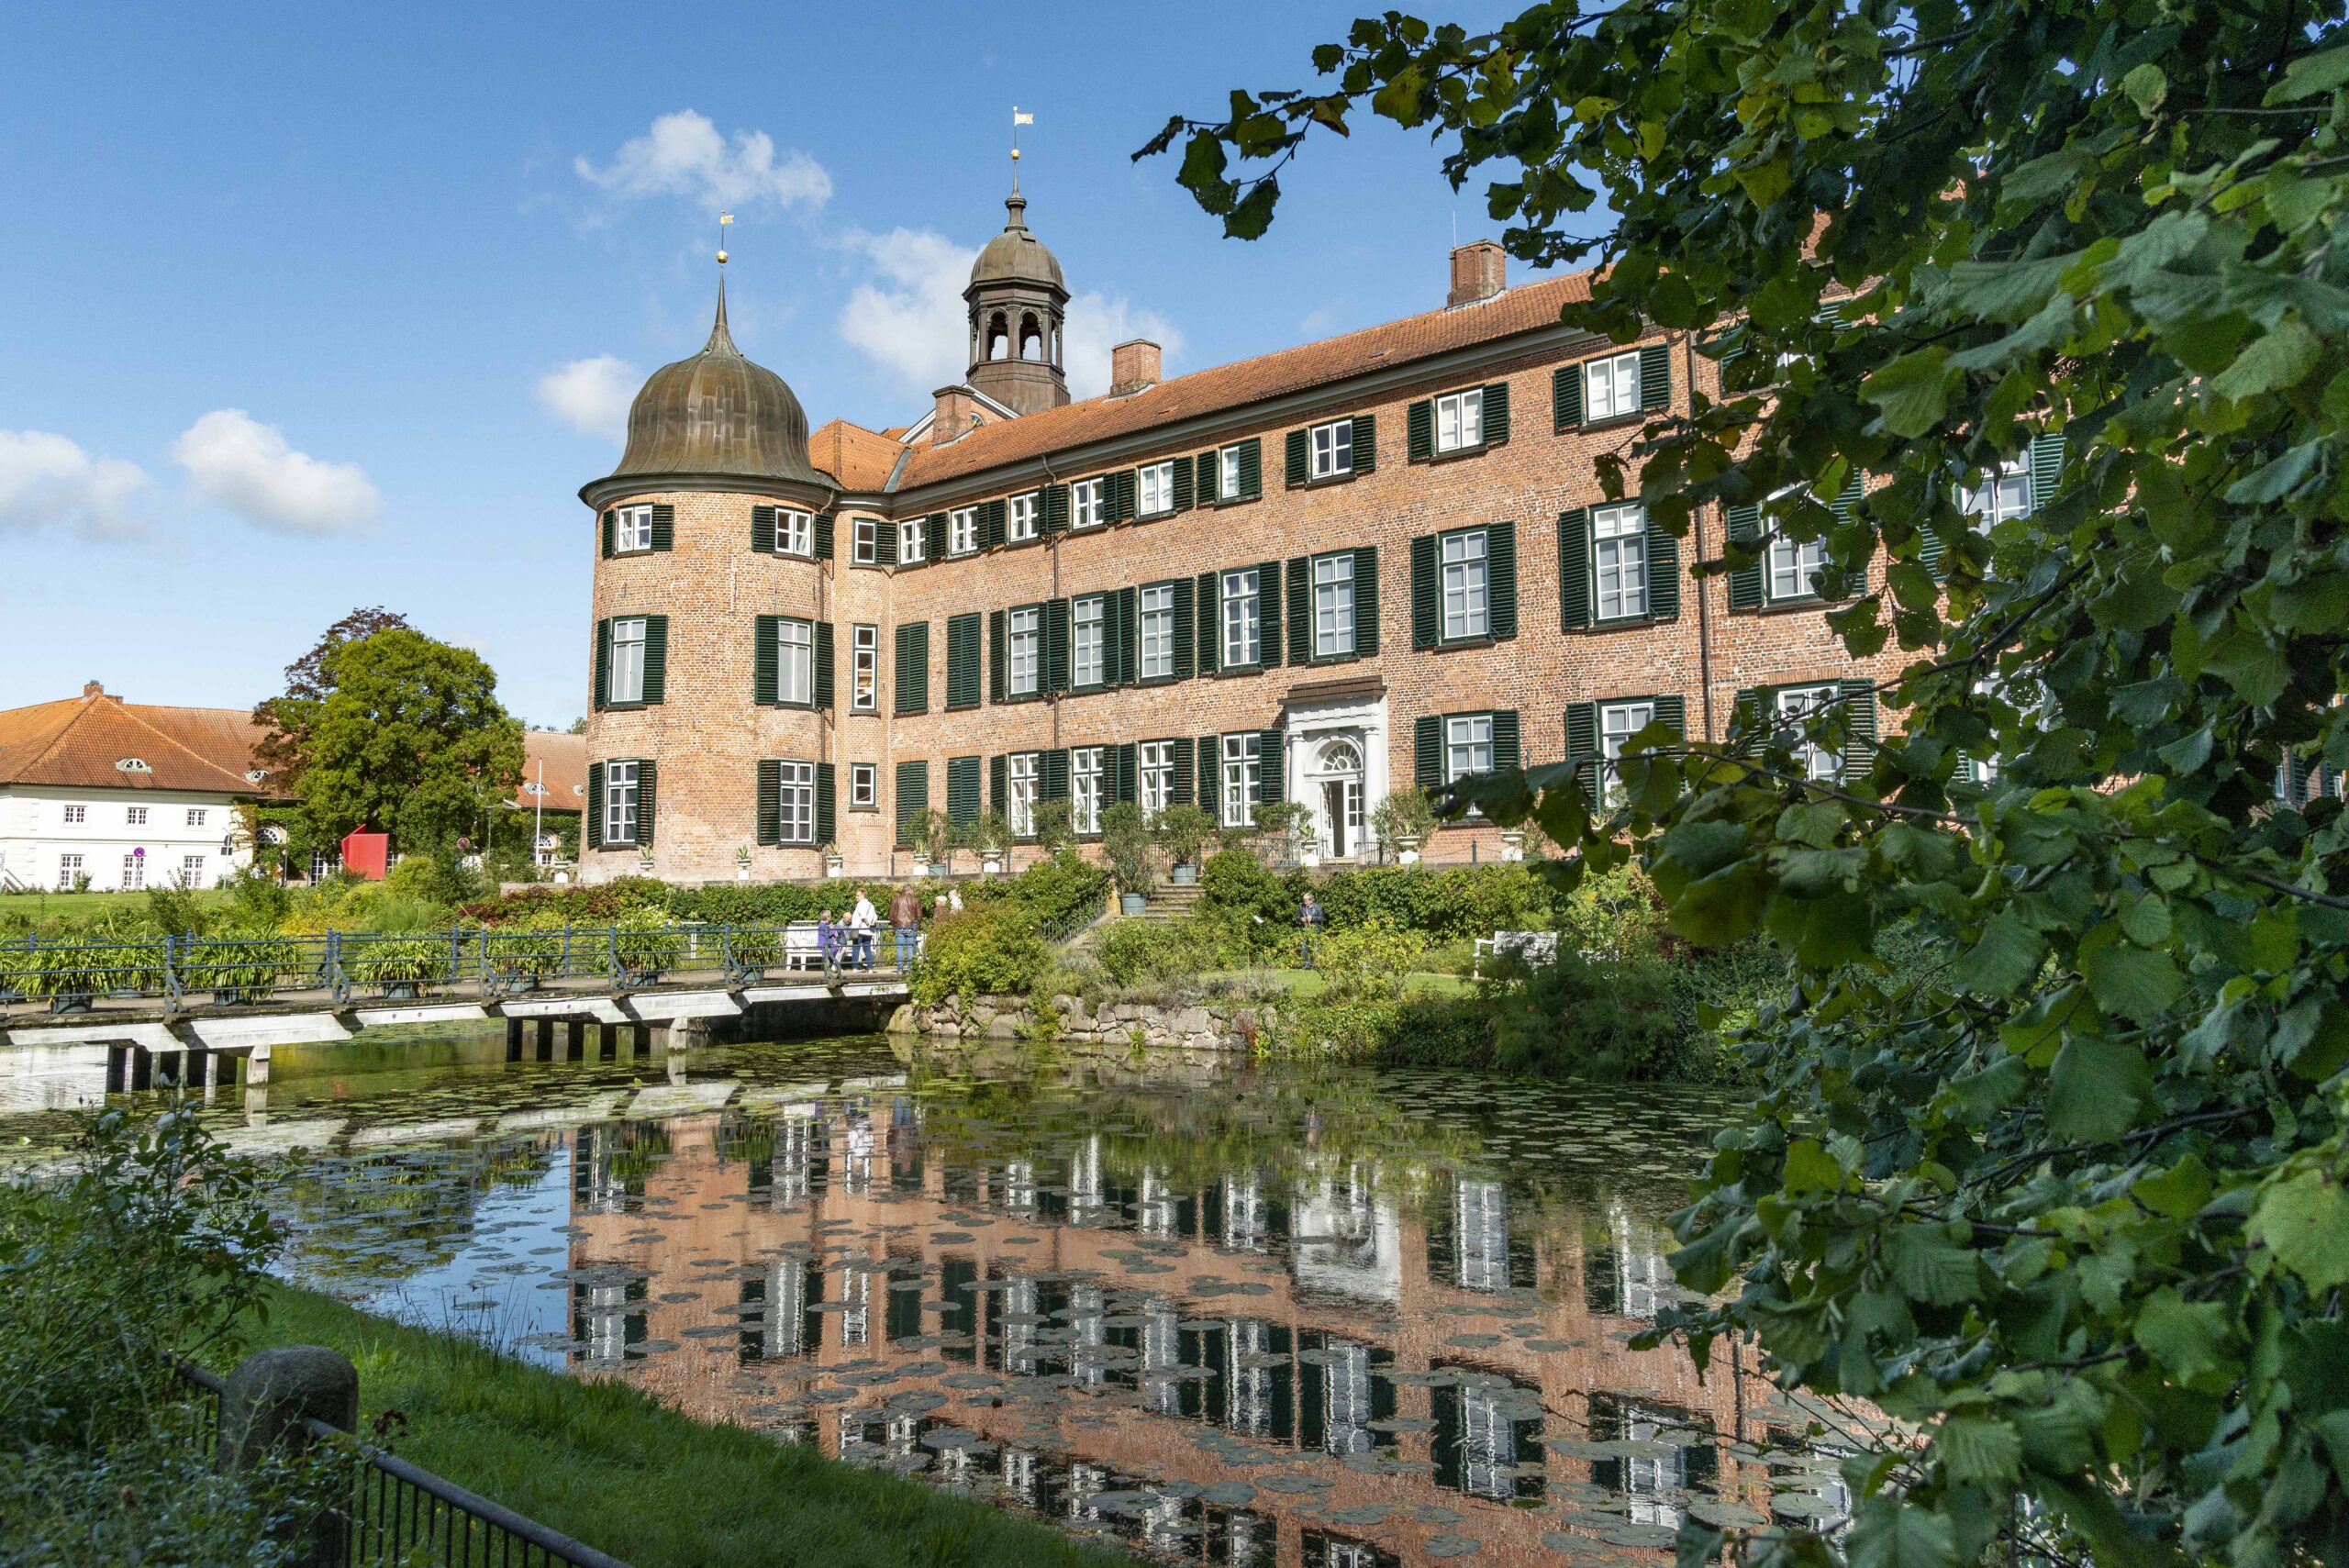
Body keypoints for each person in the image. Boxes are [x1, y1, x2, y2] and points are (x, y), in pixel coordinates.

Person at [888, 882, 922, 971]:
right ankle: (911, 968)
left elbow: (891, 915)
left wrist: (894, 925)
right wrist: (916, 923)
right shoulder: (915, 899)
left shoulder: (896, 899)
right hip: (911, 925)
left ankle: (900, 968)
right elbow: (919, 915)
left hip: (899, 925)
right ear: (910, 890)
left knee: (900, 946)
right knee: (910, 946)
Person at [849, 890, 878, 971]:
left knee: (856, 948)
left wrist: (866, 922)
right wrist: (871, 923)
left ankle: (855, 968)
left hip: (859, 930)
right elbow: (875, 917)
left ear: (862, 895)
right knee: (867, 949)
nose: (856, 897)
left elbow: (863, 915)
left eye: (857, 895)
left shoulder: (860, 904)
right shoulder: (871, 905)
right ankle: (870, 968)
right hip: (868, 931)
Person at [1298, 891, 1326, 969]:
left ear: (1311, 900)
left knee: (1316, 946)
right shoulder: (1301, 907)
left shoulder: (1318, 907)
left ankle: (1316, 964)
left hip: (1316, 929)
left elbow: (1322, 918)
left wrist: (1312, 918)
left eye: (1306, 901)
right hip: (1305, 929)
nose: (1304, 902)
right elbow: (1298, 917)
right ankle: (1307, 964)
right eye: (1304, 900)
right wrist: (1301, 919)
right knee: (1304, 946)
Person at [816, 908, 841, 980]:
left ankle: (834, 967)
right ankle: (833, 967)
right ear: (827, 917)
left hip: (828, 943)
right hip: (823, 944)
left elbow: (832, 934)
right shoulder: (822, 925)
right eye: (830, 916)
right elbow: (828, 933)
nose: (831, 918)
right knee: (835, 949)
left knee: (838, 948)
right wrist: (833, 928)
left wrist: (833, 930)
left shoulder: (825, 924)